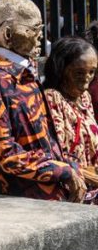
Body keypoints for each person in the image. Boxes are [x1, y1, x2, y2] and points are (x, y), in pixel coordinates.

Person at [0, 0, 86, 202]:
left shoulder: (25, 73)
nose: (40, 36)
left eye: (40, 28)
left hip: (53, 186)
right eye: (33, 29)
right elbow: (3, 154)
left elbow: (47, 143)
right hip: (25, 194)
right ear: (8, 34)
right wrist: (61, 171)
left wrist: (70, 167)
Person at [43, 36, 98, 197]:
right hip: (74, 186)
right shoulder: (52, 99)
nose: (86, 82)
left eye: (92, 72)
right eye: (79, 73)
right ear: (61, 69)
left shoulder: (85, 98)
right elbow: (58, 154)